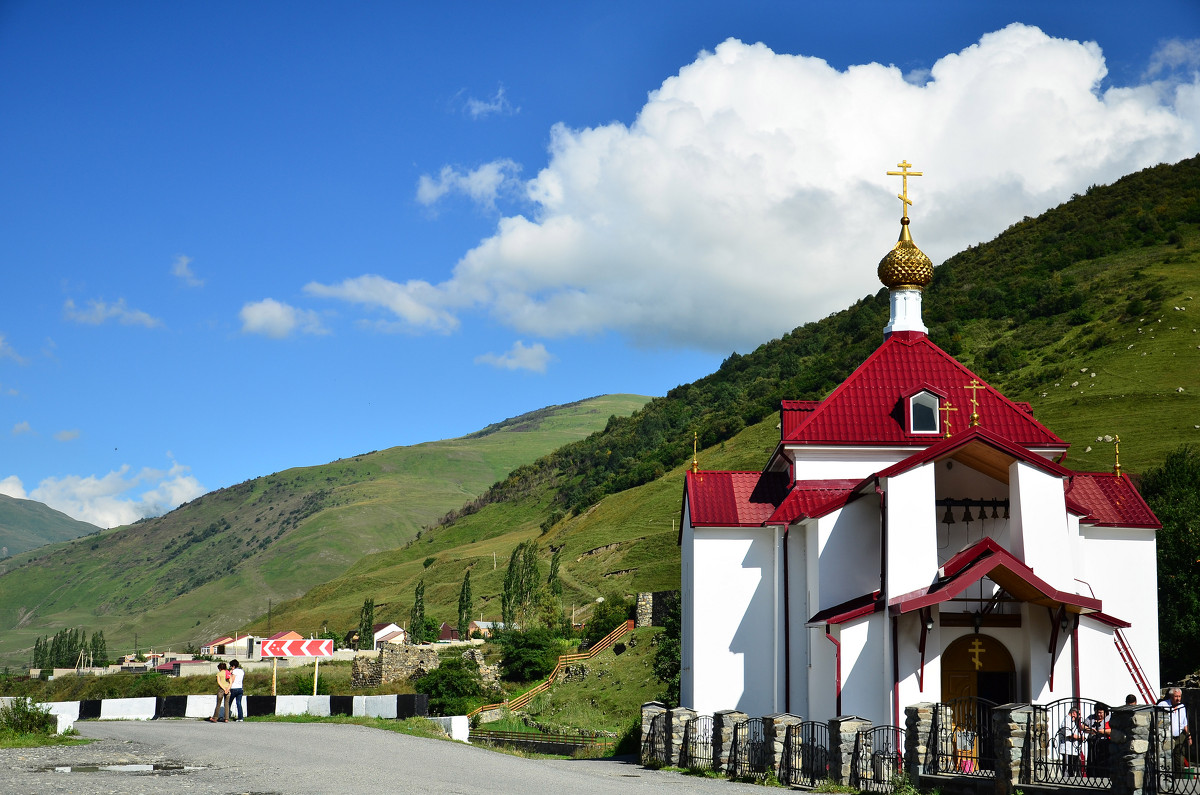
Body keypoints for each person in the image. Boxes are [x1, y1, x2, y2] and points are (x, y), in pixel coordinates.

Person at [1157, 687, 1191, 775]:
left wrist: (1188, 735)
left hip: (1179, 734)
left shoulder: (1182, 706)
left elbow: (1184, 722)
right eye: (1176, 696)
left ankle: (1179, 776)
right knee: (1167, 755)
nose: (1178, 698)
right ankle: (1168, 775)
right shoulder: (1163, 705)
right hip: (1167, 735)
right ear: (1171, 696)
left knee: (1180, 754)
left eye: (1179, 696)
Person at [1085, 704, 1112, 777]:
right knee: (1092, 759)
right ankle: (1092, 775)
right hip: (1092, 741)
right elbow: (1083, 727)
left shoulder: (1109, 718)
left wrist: (1103, 731)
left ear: (1105, 712)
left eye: (1101, 712)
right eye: (1097, 712)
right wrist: (1090, 730)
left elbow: (1113, 730)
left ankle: (1104, 775)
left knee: (1103, 760)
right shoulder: (1091, 718)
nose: (1099, 714)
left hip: (1104, 741)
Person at [1058, 707, 1085, 779]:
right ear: (1073, 713)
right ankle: (1067, 781)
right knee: (1067, 768)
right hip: (1067, 748)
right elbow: (1068, 734)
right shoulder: (1067, 720)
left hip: (1072, 749)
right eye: (1078, 714)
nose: (1079, 716)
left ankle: (1071, 780)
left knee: (1072, 768)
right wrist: (1080, 737)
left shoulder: (1071, 721)